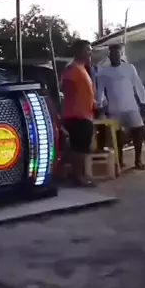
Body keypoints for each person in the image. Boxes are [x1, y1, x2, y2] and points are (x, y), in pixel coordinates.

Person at [95, 44, 145, 170]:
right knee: (117, 136)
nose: (115, 56)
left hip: (131, 106)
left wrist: (142, 101)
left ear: (121, 54)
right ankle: (119, 160)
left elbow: (138, 85)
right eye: (112, 54)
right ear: (109, 56)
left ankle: (138, 160)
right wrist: (99, 104)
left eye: (117, 53)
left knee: (139, 130)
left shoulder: (129, 68)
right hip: (115, 109)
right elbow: (100, 90)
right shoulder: (104, 72)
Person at [60, 40, 95, 186]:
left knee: (82, 148)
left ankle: (77, 175)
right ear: (78, 52)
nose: (90, 52)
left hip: (84, 114)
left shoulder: (82, 69)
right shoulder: (72, 69)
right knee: (79, 149)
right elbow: (66, 92)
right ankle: (79, 177)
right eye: (87, 50)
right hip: (76, 115)